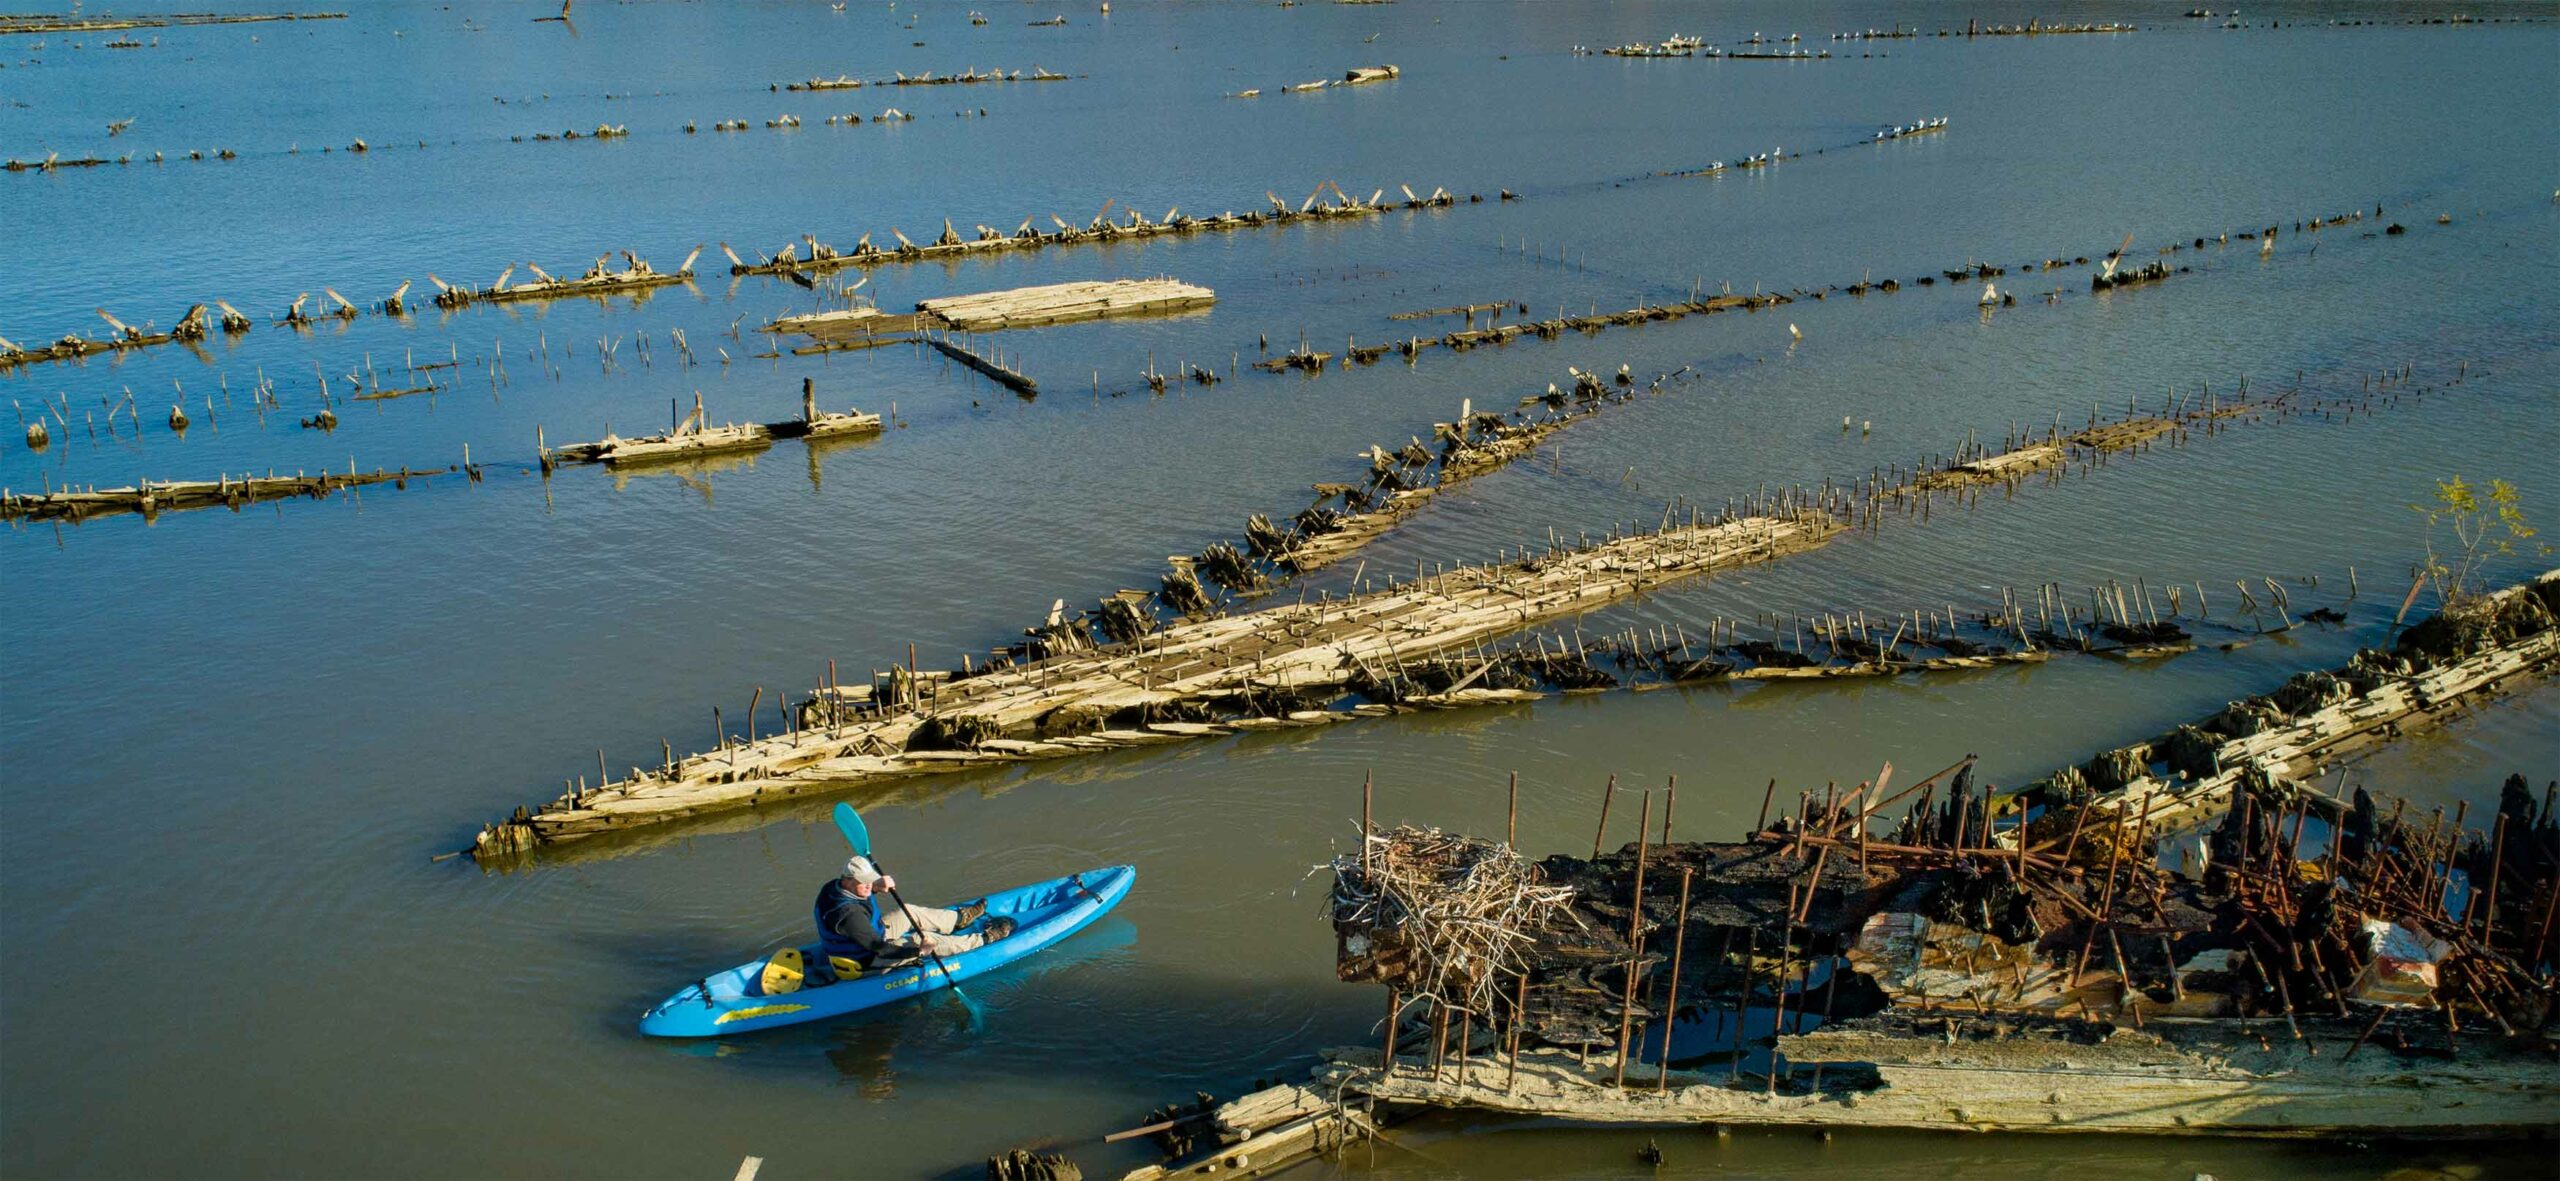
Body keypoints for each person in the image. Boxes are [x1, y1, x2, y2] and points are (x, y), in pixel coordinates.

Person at [814, 855, 1012, 972]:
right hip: (866, 959)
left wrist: (875, 886)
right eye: (863, 882)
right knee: (925, 940)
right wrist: (919, 951)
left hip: (871, 933)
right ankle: (984, 939)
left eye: (869, 880)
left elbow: (860, 898)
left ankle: (960, 919)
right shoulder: (850, 917)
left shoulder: (835, 886)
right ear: (848, 880)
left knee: (908, 910)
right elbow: (880, 949)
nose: (868, 885)